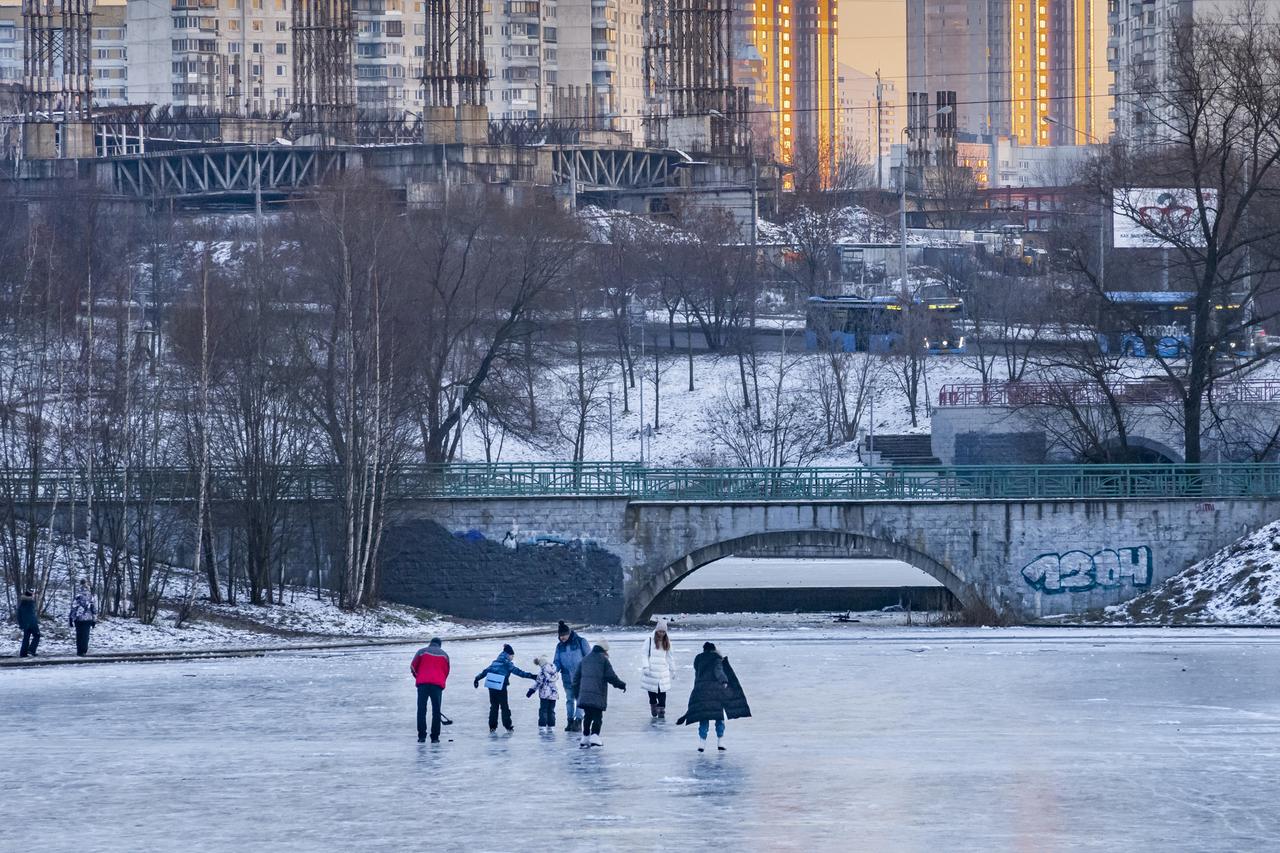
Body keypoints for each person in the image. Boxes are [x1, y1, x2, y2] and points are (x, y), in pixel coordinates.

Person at [677, 641, 751, 752]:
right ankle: (720, 742)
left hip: (701, 691)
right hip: (715, 692)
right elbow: (718, 671)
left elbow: (698, 674)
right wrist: (724, 681)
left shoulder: (698, 659)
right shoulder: (716, 658)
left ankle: (702, 744)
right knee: (719, 717)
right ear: (713, 649)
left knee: (703, 717)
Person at [572, 639, 626, 748]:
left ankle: (585, 737)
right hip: (597, 694)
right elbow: (611, 677)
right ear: (604, 650)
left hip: (585, 695)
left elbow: (576, 680)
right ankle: (595, 737)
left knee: (587, 716)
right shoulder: (604, 660)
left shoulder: (584, 660)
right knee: (597, 716)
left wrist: (577, 694)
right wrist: (621, 685)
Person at [473, 643, 536, 732]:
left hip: (491, 686)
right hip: (501, 687)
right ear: (509, 655)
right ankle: (508, 726)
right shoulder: (507, 663)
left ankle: (492, 727)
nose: (512, 658)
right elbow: (519, 672)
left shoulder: (495, 662)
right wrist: (532, 676)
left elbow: (485, 672)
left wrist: (476, 679)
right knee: (504, 706)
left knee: (494, 706)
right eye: (512, 656)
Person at [554, 621, 592, 732]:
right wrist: (552, 670)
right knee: (569, 699)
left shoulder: (581, 642)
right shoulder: (559, 646)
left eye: (564, 635)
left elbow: (589, 658)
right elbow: (557, 661)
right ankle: (570, 721)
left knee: (580, 699)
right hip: (566, 677)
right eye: (560, 636)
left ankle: (578, 721)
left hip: (580, 676)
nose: (562, 638)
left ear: (569, 633)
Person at [410, 637, 450, 743]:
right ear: (440, 644)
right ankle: (435, 737)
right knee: (436, 711)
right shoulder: (444, 655)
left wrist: (418, 677)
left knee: (421, 710)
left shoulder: (421, 652)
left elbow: (413, 667)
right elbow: (446, 671)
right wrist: (441, 681)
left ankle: (421, 736)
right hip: (437, 685)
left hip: (422, 684)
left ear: (430, 643)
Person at [639, 619, 675, 719]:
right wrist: (646, 666)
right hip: (651, 672)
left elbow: (669, 657)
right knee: (652, 695)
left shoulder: (667, 642)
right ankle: (653, 706)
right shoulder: (649, 640)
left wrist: (673, 669)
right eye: (660, 631)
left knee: (662, 693)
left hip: (662, 672)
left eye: (663, 632)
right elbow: (644, 654)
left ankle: (661, 709)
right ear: (656, 630)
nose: (661, 634)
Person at [528, 656, 559, 732]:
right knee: (551, 710)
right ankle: (551, 725)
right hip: (553, 694)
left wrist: (531, 690)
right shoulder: (554, 671)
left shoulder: (542, 672)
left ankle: (542, 725)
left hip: (544, 694)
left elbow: (538, 683)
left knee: (543, 710)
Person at [68, 580, 96, 657]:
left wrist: (71, 618)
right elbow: (93, 609)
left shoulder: (77, 596)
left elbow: (73, 608)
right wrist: (94, 620)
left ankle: (79, 650)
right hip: (88, 618)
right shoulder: (91, 596)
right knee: (85, 635)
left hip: (78, 618)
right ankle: (84, 650)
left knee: (79, 634)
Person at [17, 588, 40, 658]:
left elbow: (19, 615)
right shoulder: (31, 603)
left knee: (26, 638)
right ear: (31, 595)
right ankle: (31, 650)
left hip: (25, 624)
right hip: (32, 623)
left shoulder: (22, 603)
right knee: (37, 636)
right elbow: (32, 615)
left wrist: (21, 624)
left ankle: (23, 653)